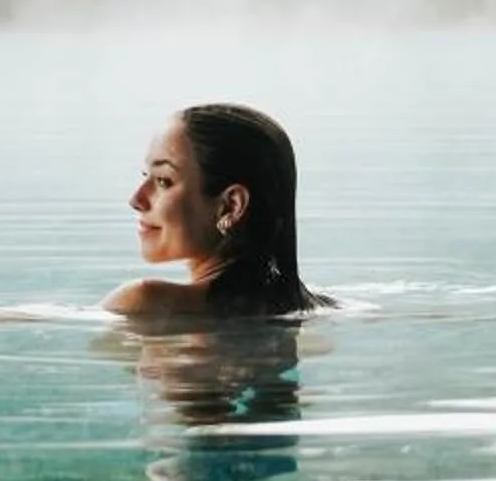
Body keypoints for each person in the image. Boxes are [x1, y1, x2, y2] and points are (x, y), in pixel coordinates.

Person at [105, 103, 330, 321]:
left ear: (232, 206)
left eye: (164, 181)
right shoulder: (306, 307)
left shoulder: (144, 303)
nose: (136, 200)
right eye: (146, 176)